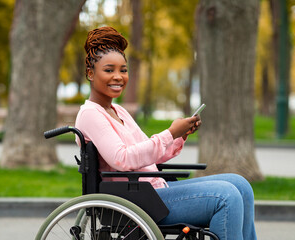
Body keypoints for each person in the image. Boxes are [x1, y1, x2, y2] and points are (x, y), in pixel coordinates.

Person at [75, 26, 257, 240]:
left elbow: (148, 153)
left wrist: (179, 135)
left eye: (123, 70)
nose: (118, 76)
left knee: (241, 185)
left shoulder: (118, 110)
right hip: (136, 199)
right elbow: (123, 159)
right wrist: (169, 133)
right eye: (109, 70)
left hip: (153, 189)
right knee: (227, 197)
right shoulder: (90, 114)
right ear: (90, 73)